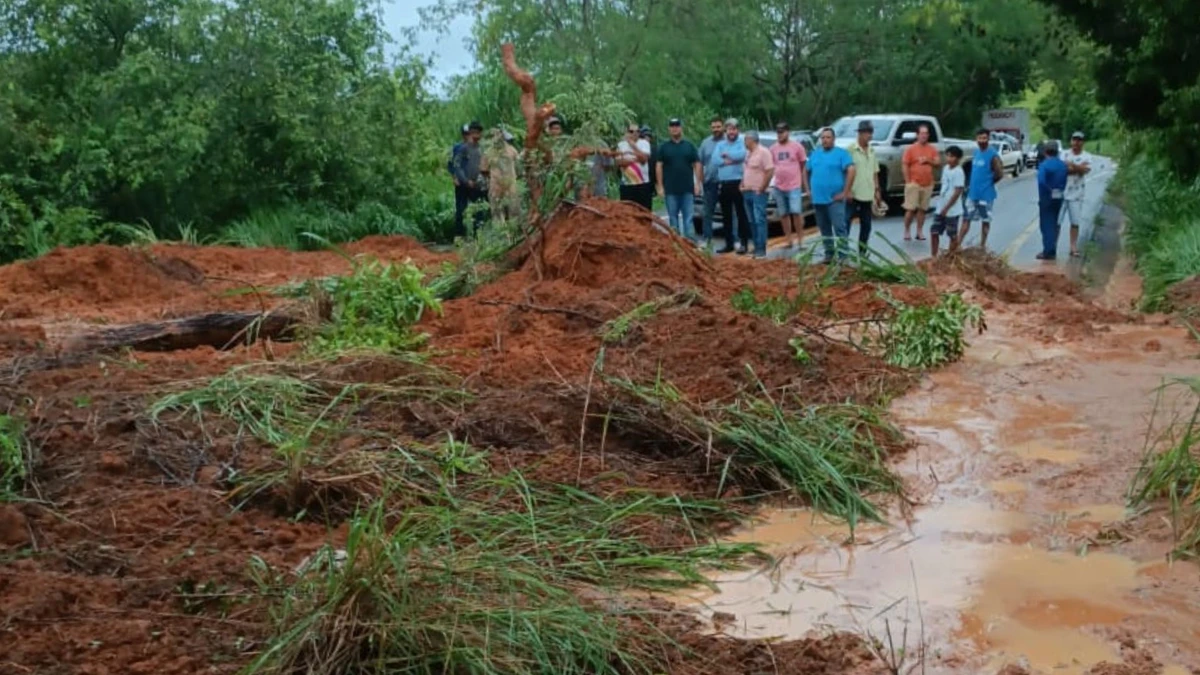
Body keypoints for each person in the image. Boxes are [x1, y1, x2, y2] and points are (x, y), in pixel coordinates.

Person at [807, 127, 855, 264]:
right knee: (824, 228)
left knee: (839, 227)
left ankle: (843, 256)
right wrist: (808, 190)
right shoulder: (815, 154)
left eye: (828, 137)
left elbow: (851, 170)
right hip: (818, 198)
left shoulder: (842, 154)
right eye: (823, 138)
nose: (825, 140)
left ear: (833, 139)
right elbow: (806, 171)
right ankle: (829, 255)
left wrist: (845, 192)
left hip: (834, 198)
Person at [656, 118, 703, 240]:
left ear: (681, 128)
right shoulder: (663, 147)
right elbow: (659, 166)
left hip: (687, 189)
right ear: (669, 129)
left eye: (677, 126)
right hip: (670, 189)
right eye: (672, 126)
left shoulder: (689, 146)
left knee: (688, 218)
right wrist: (660, 186)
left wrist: (697, 183)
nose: (674, 128)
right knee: (673, 218)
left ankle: (690, 244)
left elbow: (697, 164)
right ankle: (676, 246)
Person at [959, 128, 1005, 250]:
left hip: (986, 195)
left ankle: (982, 245)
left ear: (988, 139)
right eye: (980, 138)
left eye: (984, 138)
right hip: (972, 193)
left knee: (985, 220)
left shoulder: (993, 155)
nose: (982, 141)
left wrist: (989, 183)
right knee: (966, 218)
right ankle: (957, 244)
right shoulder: (976, 153)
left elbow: (999, 173)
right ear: (976, 139)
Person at [714, 118, 751, 254]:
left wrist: (728, 155)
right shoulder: (720, 145)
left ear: (738, 130)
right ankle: (729, 243)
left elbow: (741, 155)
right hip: (724, 184)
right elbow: (715, 160)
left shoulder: (741, 143)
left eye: (734, 129)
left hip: (738, 182)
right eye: (729, 129)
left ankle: (744, 243)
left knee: (741, 214)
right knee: (726, 215)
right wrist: (728, 161)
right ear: (726, 130)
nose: (732, 132)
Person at [770, 122, 808, 250]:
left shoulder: (797, 147)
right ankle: (789, 240)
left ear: (788, 132)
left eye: (782, 132)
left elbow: (803, 164)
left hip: (794, 185)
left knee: (796, 212)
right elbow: (771, 166)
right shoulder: (773, 148)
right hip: (779, 185)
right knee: (783, 213)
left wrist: (802, 182)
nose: (780, 135)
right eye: (778, 133)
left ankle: (801, 240)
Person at [847, 119, 882, 256]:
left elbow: (875, 172)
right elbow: (846, 171)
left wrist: (877, 191)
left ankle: (862, 252)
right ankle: (843, 251)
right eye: (867, 132)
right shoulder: (851, 150)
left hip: (867, 194)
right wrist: (847, 190)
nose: (869, 135)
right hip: (854, 193)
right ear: (860, 134)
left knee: (866, 225)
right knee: (846, 223)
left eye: (871, 132)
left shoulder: (872, 151)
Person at [902, 124, 939, 241]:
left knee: (922, 209)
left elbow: (938, 163)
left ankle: (919, 231)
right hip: (914, 183)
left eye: (926, 133)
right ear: (917, 135)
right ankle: (907, 230)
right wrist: (908, 182)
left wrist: (928, 160)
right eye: (922, 133)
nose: (924, 136)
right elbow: (904, 165)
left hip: (927, 183)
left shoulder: (932, 149)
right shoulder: (911, 149)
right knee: (910, 209)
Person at [741, 131, 775, 258]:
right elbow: (746, 170)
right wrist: (742, 184)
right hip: (747, 191)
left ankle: (761, 248)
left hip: (758, 192)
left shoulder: (764, 152)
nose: (744, 143)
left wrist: (762, 187)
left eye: (745, 140)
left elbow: (770, 170)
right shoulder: (748, 154)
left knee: (759, 219)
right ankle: (756, 246)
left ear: (751, 140)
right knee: (751, 220)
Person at [451, 120, 486, 237]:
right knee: (461, 211)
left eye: (478, 133)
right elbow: (455, 165)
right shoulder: (461, 148)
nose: (475, 135)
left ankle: (478, 238)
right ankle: (459, 237)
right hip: (462, 185)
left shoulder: (481, 149)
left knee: (479, 212)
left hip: (476, 184)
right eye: (472, 133)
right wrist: (462, 179)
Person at [930, 146, 966, 257]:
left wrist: (947, 208)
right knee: (934, 231)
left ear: (958, 158)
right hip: (941, 206)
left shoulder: (959, 172)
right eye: (948, 155)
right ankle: (934, 256)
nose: (949, 158)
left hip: (952, 210)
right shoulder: (946, 168)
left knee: (952, 234)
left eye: (952, 156)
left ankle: (952, 255)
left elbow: (957, 192)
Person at [480, 128, 521, 226]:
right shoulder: (488, 153)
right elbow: (483, 170)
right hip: (496, 187)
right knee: (498, 214)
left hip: (511, 186)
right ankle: (503, 238)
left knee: (514, 213)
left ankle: (515, 235)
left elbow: (519, 167)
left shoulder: (512, 150)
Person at [1036, 140, 1068, 261]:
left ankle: (1048, 251)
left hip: (1046, 196)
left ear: (1045, 151)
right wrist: (1059, 189)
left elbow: (1041, 181)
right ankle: (1052, 249)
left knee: (1046, 224)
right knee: (1054, 222)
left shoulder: (1044, 165)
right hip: (1059, 196)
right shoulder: (1062, 165)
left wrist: (1049, 190)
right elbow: (1065, 180)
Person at [1063, 131, 1093, 257]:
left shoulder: (1087, 156)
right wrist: (1078, 167)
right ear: (1071, 141)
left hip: (1077, 194)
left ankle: (1073, 246)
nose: (1076, 142)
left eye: (1079, 140)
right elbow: (1063, 170)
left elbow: (1085, 170)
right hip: (1062, 192)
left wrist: (1071, 165)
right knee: (1057, 222)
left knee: (1075, 222)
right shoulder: (1064, 154)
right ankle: (1052, 248)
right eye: (1074, 139)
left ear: (1083, 142)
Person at [697, 116, 725, 248]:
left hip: (727, 183)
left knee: (730, 213)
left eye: (718, 126)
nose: (716, 129)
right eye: (713, 127)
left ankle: (734, 240)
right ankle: (706, 239)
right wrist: (700, 180)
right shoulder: (705, 143)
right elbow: (699, 163)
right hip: (710, 183)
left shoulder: (730, 142)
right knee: (707, 212)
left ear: (723, 127)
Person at [616, 122, 653, 209]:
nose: (634, 133)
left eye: (637, 131)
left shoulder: (644, 143)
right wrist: (635, 159)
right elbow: (618, 163)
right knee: (628, 214)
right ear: (627, 132)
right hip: (627, 185)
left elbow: (644, 159)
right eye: (631, 131)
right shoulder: (621, 145)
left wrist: (633, 146)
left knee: (644, 211)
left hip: (643, 184)